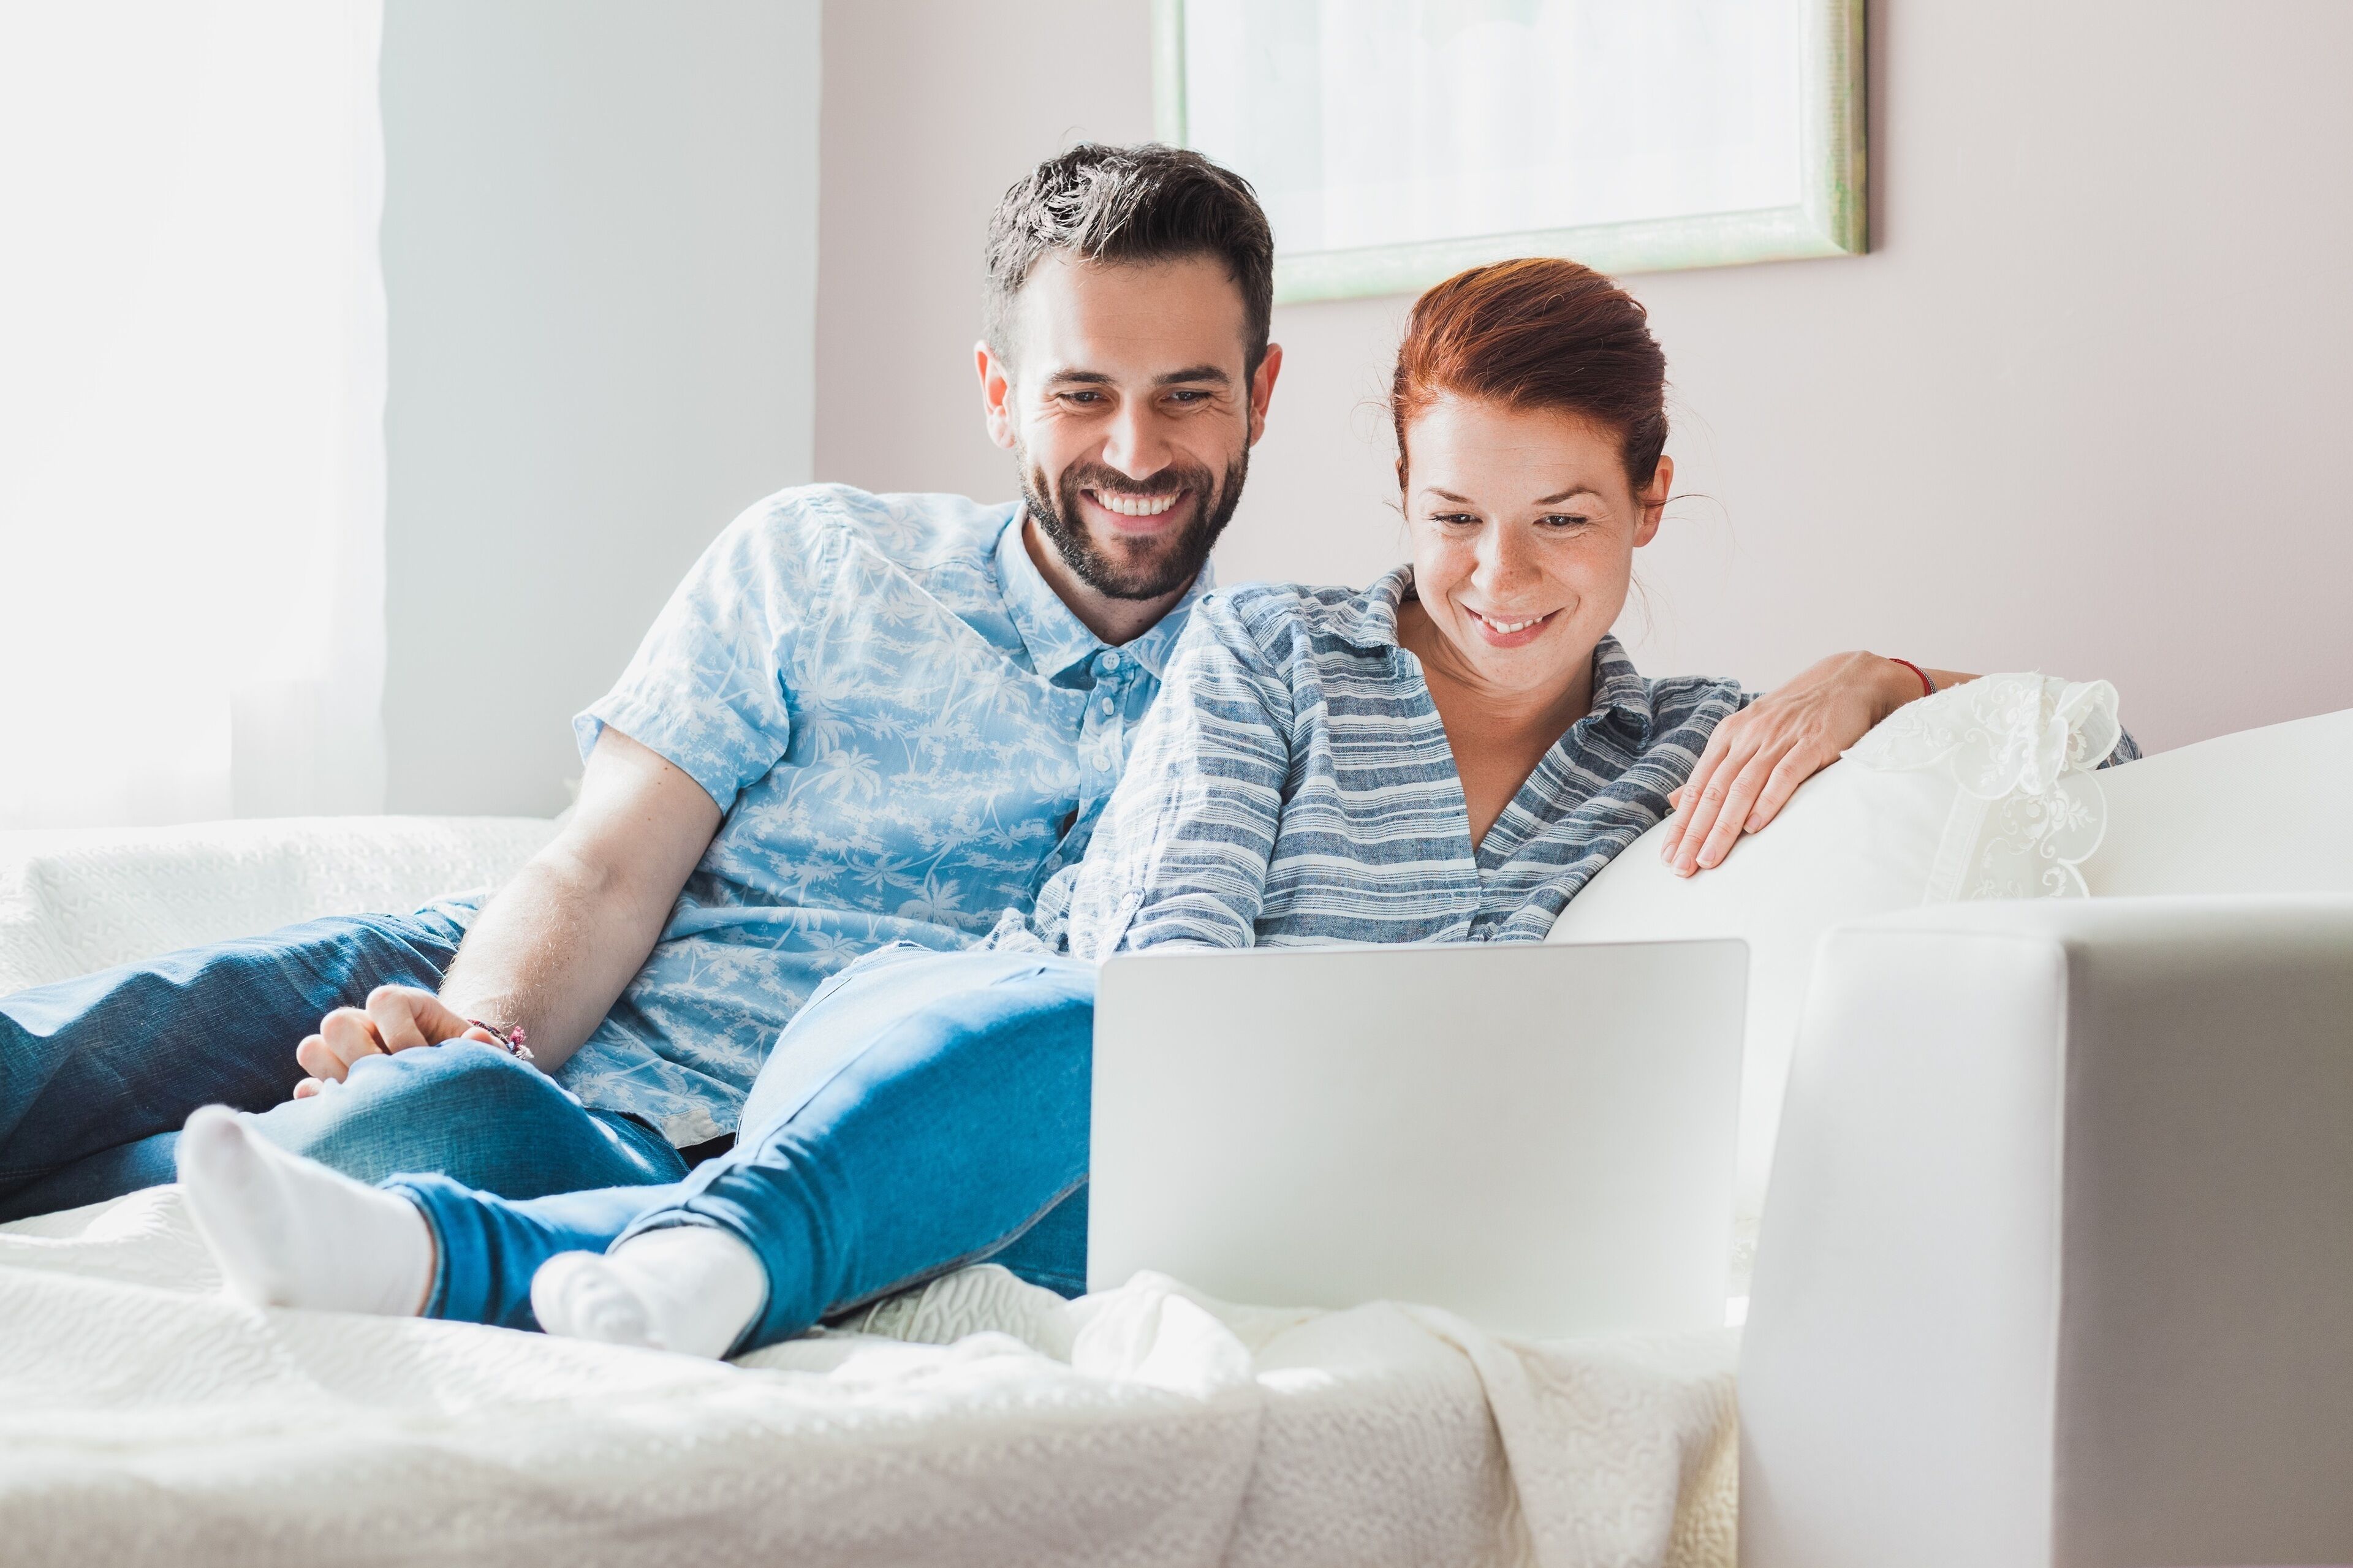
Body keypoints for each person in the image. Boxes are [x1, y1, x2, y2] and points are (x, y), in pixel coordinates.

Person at [170, 256, 2132, 1357]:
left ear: (1652, 504)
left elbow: (2097, 772)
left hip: (1257, 1199)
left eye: (1563, 522)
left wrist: (1884, 676)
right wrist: (1250, 1104)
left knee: (544, 1170)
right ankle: (690, 1236)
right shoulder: (1273, 651)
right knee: (1102, 1028)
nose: (1499, 580)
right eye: (1454, 516)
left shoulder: (1687, 750)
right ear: (1399, 498)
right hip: (997, 1059)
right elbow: (1170, 972)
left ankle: (466, 1258)